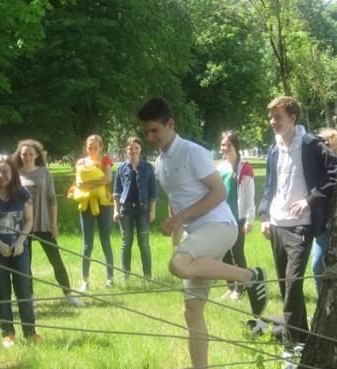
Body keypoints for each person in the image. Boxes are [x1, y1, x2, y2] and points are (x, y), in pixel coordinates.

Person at [136, 96, 268, 369]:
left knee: (179, 265)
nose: (150, 137)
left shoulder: (192, 152)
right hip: (197, 233)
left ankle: (250, 276)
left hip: (221, 226)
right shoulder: (161, 161)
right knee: (191, 310)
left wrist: (182, 218)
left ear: (170, 124)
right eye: (146, 132)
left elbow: (219, 193)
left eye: (155, 131)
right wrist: (177, 236)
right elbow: (178, 202)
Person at [258, 96, 337, 366]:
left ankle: (290, 348)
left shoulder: (312, 144)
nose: (273, 122)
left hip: (302, 225)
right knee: (285, 285)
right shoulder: (273, 149)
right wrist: (265, 215)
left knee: (292, 285)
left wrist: (310, 199)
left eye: (278, 117)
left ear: (292, 118)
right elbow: (271, 186)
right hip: (277, 224)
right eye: (271, 117)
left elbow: (333, 175)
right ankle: (302, 338)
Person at [0, 155, 41, 347]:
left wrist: (20, 241)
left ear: (13, 173)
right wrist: (0, 245)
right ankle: (8, 333)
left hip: (19, 249)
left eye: (4, 171)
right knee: (2, 291)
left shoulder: (22, 193)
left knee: (23, 289)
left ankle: (30, 332)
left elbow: (29, 221)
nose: (0, 175)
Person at [14, 139, 84, 306]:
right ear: (20, 155)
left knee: (56, 259)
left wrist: (54, 222)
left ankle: (69, 295)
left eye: (31, 154)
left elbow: (52, 198)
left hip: (44, 222)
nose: (27, 157)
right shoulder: (15, 173)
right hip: (23, 224)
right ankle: (29, 296)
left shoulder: (44, 172)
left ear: (36, 155)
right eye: (24, 154)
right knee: (25, 262)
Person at [69, 135, 115, 291]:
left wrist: (90, 184)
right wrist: (95, 183)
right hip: (86, 204)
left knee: (105, 240)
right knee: (87, 243)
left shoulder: (106, 159)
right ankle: (85, 281)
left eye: (95, 148)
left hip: (104, 204)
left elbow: (107, 179)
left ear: (100, 147)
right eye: (89, 148)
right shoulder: (81, 162)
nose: (92, 151)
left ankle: (110, 278)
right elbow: (79, 183)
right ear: (86, 148)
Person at [217, 130, 256, 301]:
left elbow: (250, 198)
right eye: (223, 145)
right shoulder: (221, 167)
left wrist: (249, 220)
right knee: (225, 254)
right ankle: (230, 286)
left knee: (237, 252)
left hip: (238, 219)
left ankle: (241, 287)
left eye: (228, 145)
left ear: (236, 147)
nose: (225, 148)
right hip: (222, 218)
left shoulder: (244, 167)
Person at [113, 136, 158, 281]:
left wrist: (152, 210)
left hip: (142, 210)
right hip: (125, 210)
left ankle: (148, 275)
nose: (133, 151)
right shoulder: (121, 167)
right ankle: (124, 274)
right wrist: (116, 210)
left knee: (143, 242)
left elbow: (153, 191)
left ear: (141, 150)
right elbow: (116, 191)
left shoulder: (148, 167)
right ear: (126, 150)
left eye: (136, 148)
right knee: (126, 242)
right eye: (130, 148)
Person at [310, 128, 337, 298]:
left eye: (327, 144)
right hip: (323, 225)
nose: (322, 148)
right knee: (317, 266)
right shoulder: (317, 169)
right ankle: (321, 306)